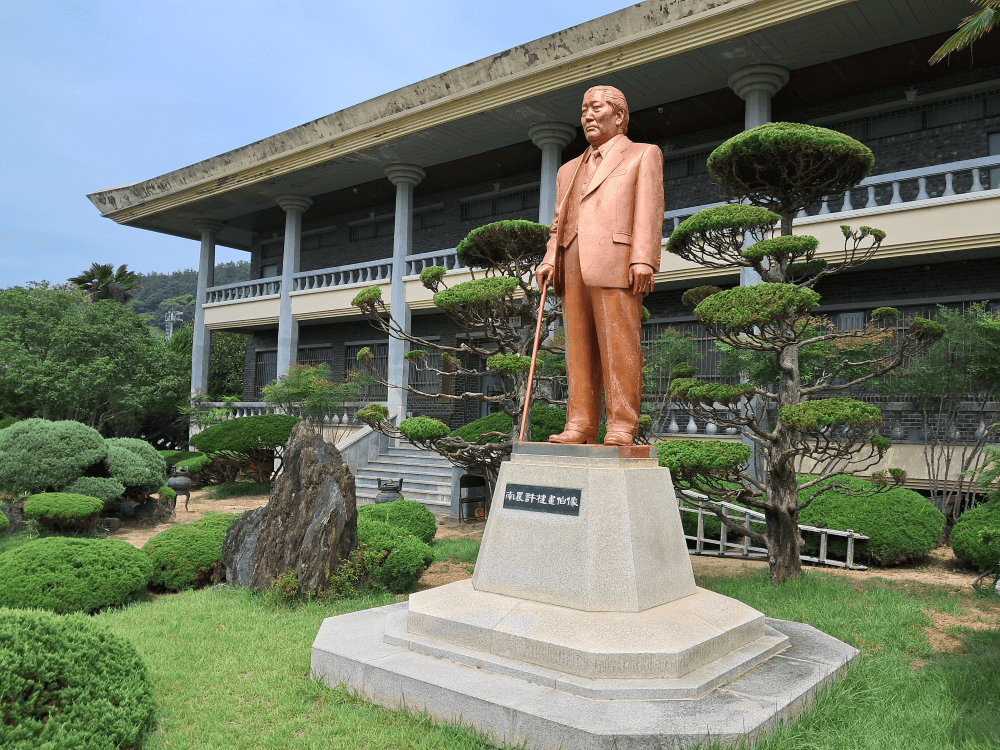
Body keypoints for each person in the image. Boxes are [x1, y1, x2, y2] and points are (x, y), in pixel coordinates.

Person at [535, 85, 664, 446]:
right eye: (583, 110)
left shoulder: (642, 155)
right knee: (577, 348)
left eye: (596, 108)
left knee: (620, 345)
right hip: (571, 261)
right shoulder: (568, 170)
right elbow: (559, 222)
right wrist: (549, 258)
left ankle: (621, 425)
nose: (587, 116)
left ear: (619, 116)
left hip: (616, 261)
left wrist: (644, 258)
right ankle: (579, 423)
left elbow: (649, 210)